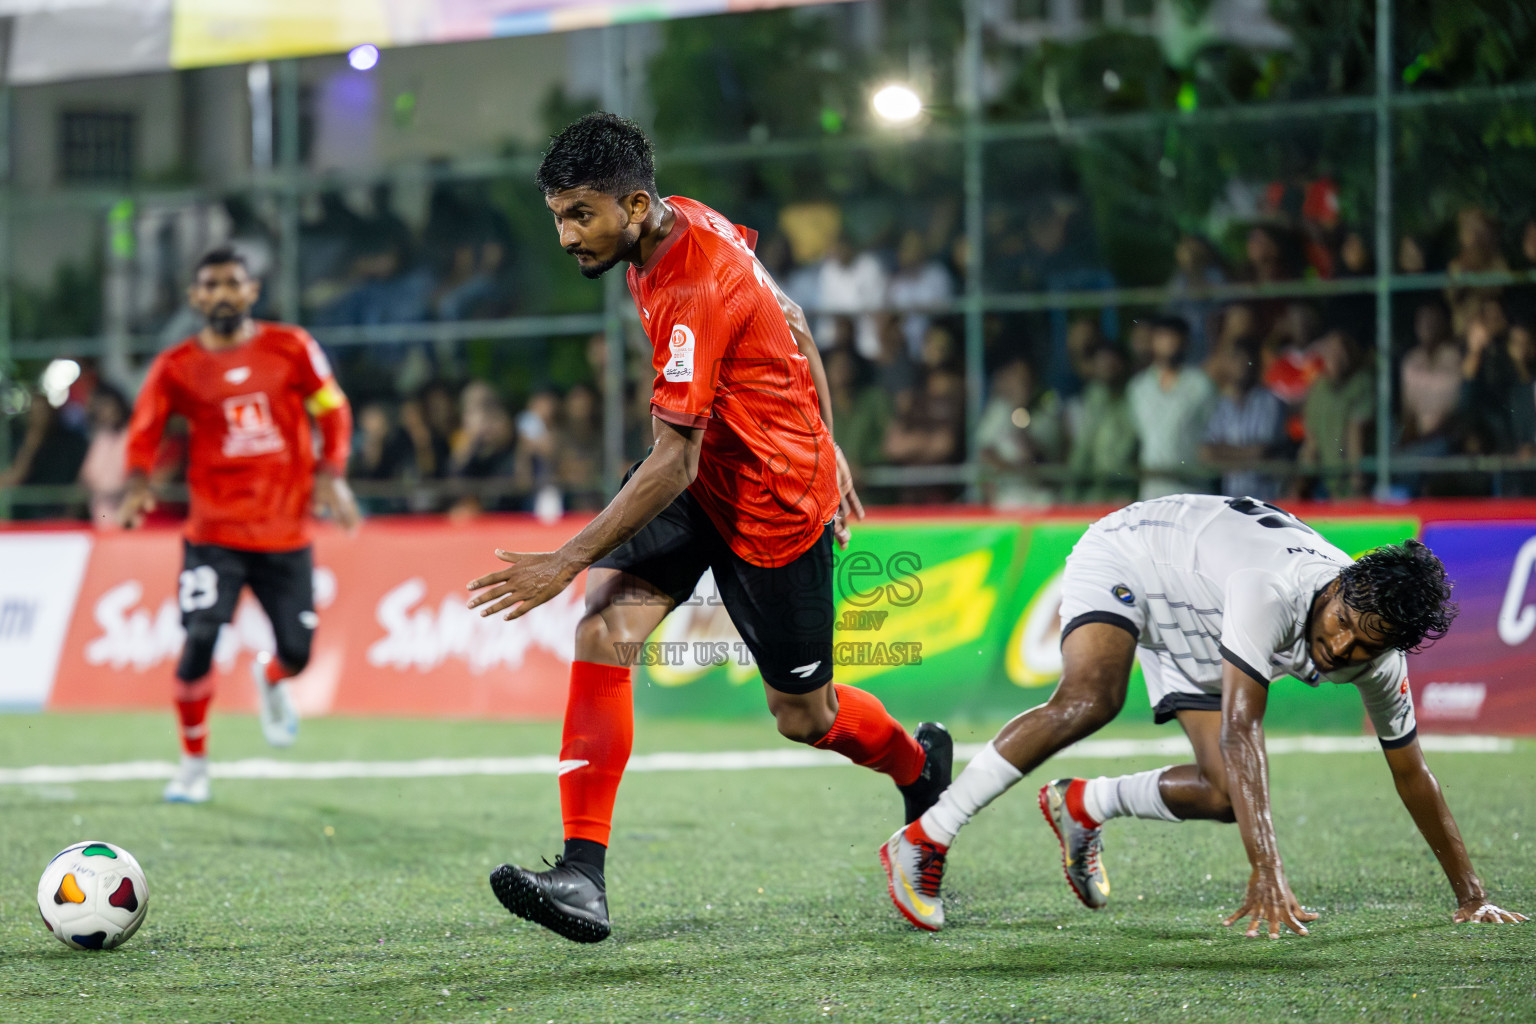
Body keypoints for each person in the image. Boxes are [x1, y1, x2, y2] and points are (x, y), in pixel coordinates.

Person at [465, 113, 952, 944]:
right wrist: (831, 439)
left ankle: (921, 770)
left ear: (633, 203)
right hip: (707, 479)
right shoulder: (680, 219)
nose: (565, 235)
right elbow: (792, 319)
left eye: (580, 214)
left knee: (805, 715)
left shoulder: (694, 278)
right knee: (604, 632)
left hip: (768, 504)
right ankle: (583, 874)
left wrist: (564, 558)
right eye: (557, 213)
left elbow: (671, 462)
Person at [880, 494, 1526, 935]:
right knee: (1091, 698)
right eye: (1343, 623)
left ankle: (1084, 804)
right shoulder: (1271, 589)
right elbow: (1243, 728)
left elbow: (1414, 774)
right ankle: (925, 838)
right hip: (1134, 556)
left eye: (1367, 643)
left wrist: (1471, 895)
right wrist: (1267, 870)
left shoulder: (1378, 658)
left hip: (1202, 613)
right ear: (1339, 586)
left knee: (1224, 796)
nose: (1342, 647)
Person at [119, 246, 360, 804]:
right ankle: (193, 764)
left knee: (298, 653)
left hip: (285, 532)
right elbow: (145, 427)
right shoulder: (176, 365)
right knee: (200, 637)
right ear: (195, 297)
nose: (223, 293)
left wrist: (334, 472)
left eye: (233, 283)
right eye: (211, 285)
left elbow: (333, 408)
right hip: (213, 534)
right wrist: (137, 484)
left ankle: (272, 679)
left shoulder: (291, 347)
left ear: (252, 290)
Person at [1126, 315, 1216, 499]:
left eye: (1174, 337)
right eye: (1163, 337)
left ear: (1186, 342)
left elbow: (1214, 434)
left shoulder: (1201, 385)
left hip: (1192, 490)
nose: (1169, 343)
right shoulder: (1138, 388)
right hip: (1150, 492)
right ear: (1153, 341)